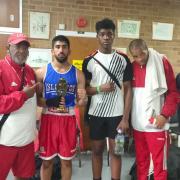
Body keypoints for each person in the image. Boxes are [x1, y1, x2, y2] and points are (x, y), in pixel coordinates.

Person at [82, 18, 133, 180]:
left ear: (114, 36)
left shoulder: (123, 59)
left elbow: (128, 90)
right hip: (96, 114)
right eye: (102, 34)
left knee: (116, 152)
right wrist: (99, 88)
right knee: (96, 151)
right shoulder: (89, 61)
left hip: (117, 116)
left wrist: (125, 119)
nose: (106, 37)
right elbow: (85, 90)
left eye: (109, 34)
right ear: (97, 36)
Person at [35, 35, 87, 180]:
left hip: (68, 120)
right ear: (52, 51)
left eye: (64, 47)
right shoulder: (41, 72)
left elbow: (81, 102)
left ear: (69, 51)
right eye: (57, 47)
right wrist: (49, 102)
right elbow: (37, 101)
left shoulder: (78, 74)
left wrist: (84, 98)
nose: (61, 50)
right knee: (46, 163)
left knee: (67, 162)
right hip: (48, 120)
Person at [129, 39, 177, 180]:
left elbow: (173, 92)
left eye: (142, 54)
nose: (140, 59)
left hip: (156, 123)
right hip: (138, 125)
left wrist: (164, 115)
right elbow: (130, 97)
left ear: (147, 49)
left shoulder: (161, 62)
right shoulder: (131, 67)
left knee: (159, 166)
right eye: (135, 56)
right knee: (141, 163)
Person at [0, 33, 39, 180]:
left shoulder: (29, 71)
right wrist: (22, 95)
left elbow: (33, 99)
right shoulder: (1, 68)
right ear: (7, 48)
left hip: (26, 140)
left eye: (25, 47)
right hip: (4, 141)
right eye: (17, 46)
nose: (22, 51)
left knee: (24, 176)